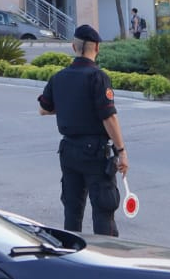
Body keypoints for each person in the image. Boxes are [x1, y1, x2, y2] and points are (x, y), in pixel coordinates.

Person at [37, 24, 129, 236]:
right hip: (95, 153)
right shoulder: (98, 77)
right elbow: (109, 117)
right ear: (97, 47)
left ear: (73, 47)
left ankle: (72, 258)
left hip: (68, 151)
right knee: (103, 209)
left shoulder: (58, 77)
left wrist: (70, 105)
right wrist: (121, 151)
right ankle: (106, 260)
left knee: (72, 210)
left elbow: (43, 109)